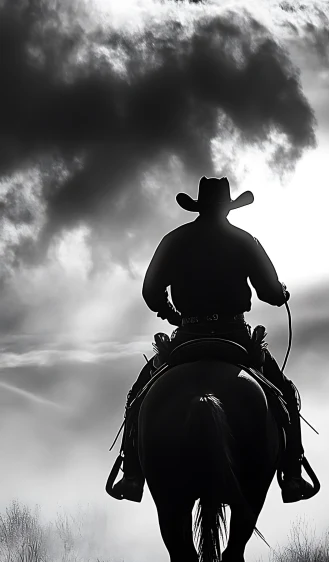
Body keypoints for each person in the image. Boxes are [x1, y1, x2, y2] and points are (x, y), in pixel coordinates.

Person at [106, 176, 307, 504]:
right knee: (284, 393)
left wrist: (170, 313)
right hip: (235, 335)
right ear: (228, 207)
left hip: (188, 335)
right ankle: (292, 475)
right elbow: (270, 292)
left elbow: (151, 292)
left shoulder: (174, 240)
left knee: (138, 397)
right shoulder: (245, 241)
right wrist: (281, 292)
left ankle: (131, 475)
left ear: (198, 206)